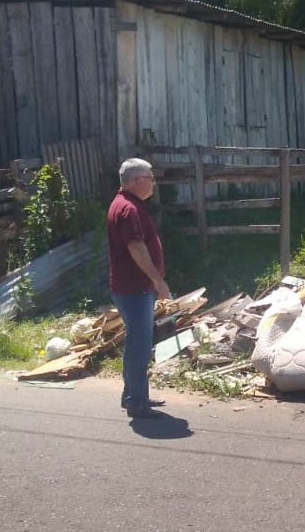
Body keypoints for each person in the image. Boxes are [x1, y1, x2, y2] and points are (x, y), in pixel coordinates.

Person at [106, 158, 171, 419]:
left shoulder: (126, 205)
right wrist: (158, 280)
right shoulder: (128, 209)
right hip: (134, 289)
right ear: (137, 181)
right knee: (140, 345)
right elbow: (136, 247)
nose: (154, 183)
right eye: (151, 178)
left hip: (132, 288)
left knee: (136, 343)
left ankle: (133, 395)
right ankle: (136, 401)